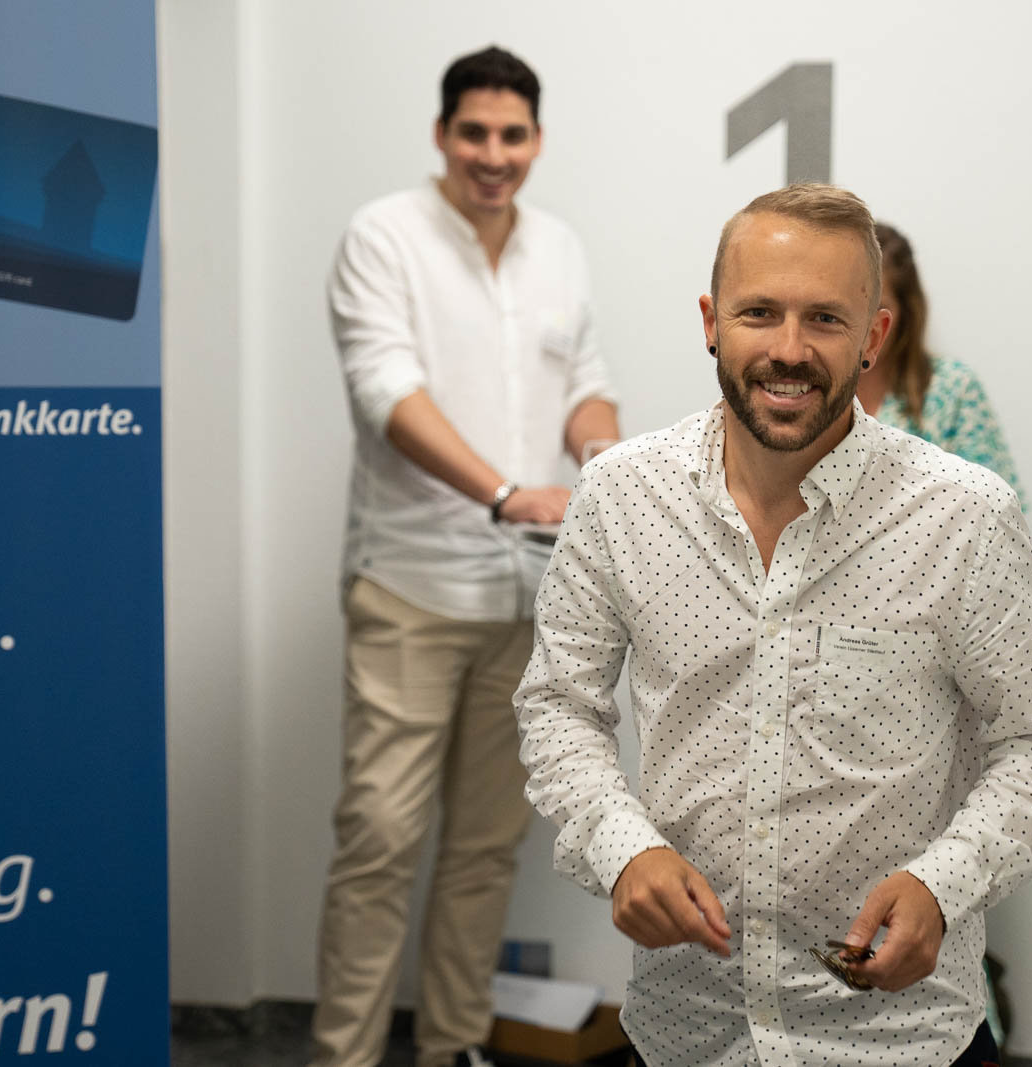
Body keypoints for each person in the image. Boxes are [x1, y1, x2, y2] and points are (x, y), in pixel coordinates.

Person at [514, 184, 1032, 1067]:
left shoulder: (963, 516)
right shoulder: (621, 496)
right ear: (711, 322)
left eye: (824, 317)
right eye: (759, 312)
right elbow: (558, 705)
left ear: (874, 335)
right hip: (689, 1030)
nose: (789, 349)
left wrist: (944, 883)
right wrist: (622, 849)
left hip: (900, 1037)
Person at [313, 45, 619, 1067]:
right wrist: (503, 492)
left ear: (537, 140)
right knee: (378, 841)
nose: (494, 155)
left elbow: (585, 381)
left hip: (528, 598)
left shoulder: (559, 248)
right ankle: (345, 1056)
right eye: (475, 133)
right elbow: (385, 392)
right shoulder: (384, 236)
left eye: (512, 136)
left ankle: (450, 1046)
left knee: (487, 849)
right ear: (443, 134)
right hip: (411, 587)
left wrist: (602, 457)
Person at [859, 222, 1023, 501]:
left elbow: (996, 507)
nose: (864, 327)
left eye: (877, 308)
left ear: (905, 312)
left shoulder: (952, 388)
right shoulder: (806, 385)